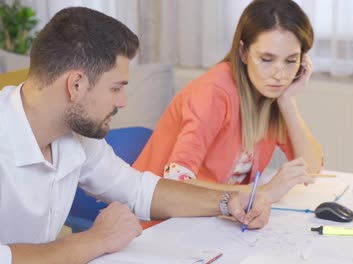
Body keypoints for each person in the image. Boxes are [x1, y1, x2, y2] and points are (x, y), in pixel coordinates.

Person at [0, 7, 272, 264]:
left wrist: (227, 203)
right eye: (116, 88)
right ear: (76, 85)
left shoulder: (76, 135)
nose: (122, 102)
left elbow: (140, 191)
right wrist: (96, 240)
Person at [134, 0, 323, 203]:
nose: (280, 74)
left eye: (291, 61)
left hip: (211, 216)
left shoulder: (271, 96)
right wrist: (260, 191)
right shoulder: (213, 93)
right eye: (267, 59)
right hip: (157, 220)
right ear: (243, 52)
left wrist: (287, 102)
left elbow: (311, 169)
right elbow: (177, 180)